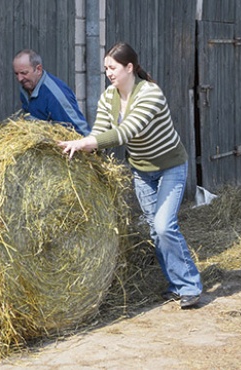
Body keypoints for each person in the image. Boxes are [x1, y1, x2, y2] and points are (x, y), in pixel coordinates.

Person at [57, 42, 202, 309]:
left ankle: (190, 286)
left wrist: (87, 143)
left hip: (170, 166)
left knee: (163, 226)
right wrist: (77, 147)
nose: (108, 73)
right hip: (142, 171)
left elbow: (125, 133)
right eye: (105, 69)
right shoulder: (108, 97)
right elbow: (99, 133)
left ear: (129, 67)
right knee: (155, 232)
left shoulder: (150, 93)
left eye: (112, 68)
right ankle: (176, 285)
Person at [12, 49, 91, 136]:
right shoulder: (26, 86)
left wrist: (91, 145)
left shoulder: (56, 96)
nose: (20, 79)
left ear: (38, 69)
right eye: (16, 74)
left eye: (24, 73)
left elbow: (80, 129)